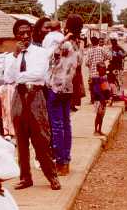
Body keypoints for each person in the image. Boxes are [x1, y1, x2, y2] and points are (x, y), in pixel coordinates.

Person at [4, 19, 61, 190]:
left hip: (35, 96)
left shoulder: (40, 52)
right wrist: (15, 57)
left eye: (28, 31)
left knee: (42, 139)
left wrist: (20, 76)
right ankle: (25, 177)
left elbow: (39, 75)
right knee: (21, 141)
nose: (25, 35)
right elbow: (8, 78)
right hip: (19, 97)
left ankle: (52, 176)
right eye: (21, 33)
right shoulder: (11, 56)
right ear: (16, 35)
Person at [47, 14, 83, 176]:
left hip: (55, 87)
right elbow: (79, 63)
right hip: (68, 88)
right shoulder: (78, 44)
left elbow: (50, 57)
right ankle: (66, 161)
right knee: (66, 124)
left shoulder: (65, 44)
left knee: (57, 126)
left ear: (67, 26)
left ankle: (60, 162)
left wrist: (62, 40)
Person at [86, 36, 111, 104]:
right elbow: (109, 56)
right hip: (101, 73)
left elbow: (86, 63)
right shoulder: (101, 49)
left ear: (91, 43)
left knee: (93, 87)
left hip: (92, 74)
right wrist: (103, 60)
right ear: (98, 42)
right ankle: (106, 99)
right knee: (104, 87)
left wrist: (91, 65)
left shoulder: (89, 51)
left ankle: (93, 100)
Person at [93, 62, 111, 135]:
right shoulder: (97, 78)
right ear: (98, 69)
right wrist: (102, 99)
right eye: (102, 69)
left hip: (103, 100)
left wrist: (108, 97)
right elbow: (97, 90)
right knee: (98, 115)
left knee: (102, 116)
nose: (103, 70)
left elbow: (106, 89)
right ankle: (96, 130)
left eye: (104, 68)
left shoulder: (104, 78)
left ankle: (99, 129)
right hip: (99, 100)